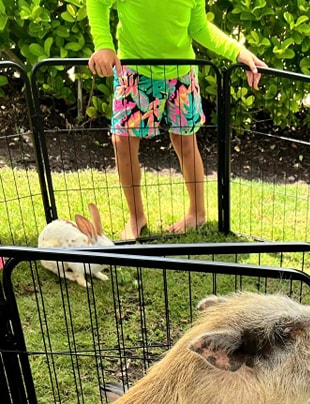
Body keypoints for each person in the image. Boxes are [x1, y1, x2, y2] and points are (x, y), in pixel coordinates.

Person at [86, 0, 266, 240]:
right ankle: (136, 217)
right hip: (134, 72)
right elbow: (97, 2)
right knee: (123, 144)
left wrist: (239, 52)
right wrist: (104, 45)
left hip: (181, 75)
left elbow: (200, 28)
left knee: (185, 144)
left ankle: (197, 213)